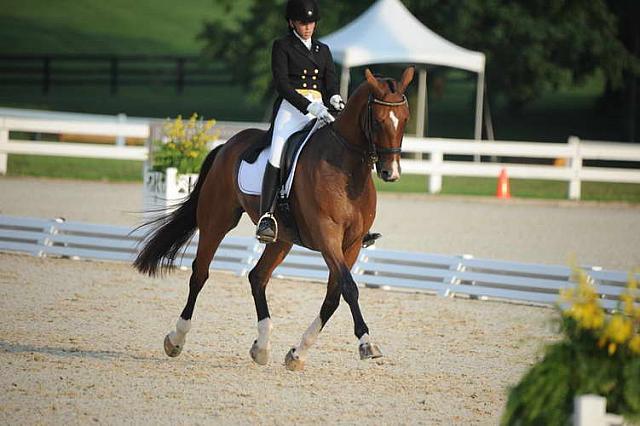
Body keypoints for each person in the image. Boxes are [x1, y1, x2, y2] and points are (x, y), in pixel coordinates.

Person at [255, 0, 345, 244]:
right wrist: (308, 106)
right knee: (277, 152)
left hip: (320, 107)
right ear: (292, 22)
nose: (308, 27)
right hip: (292, 108)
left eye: (311, 23)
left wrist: (334, 97)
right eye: (303, 23)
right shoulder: (282, 46)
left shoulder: (322, 50)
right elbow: (282, 85)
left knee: (342, 148)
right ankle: (267, 216)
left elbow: (330, 81)